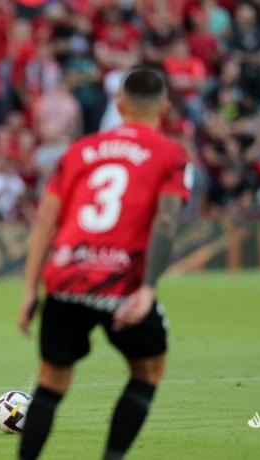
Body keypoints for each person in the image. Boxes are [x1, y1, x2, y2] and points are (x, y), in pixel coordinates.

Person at [17, 68, 190, 459]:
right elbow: (165, 220)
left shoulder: (79, 150)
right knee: (148, 371)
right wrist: (147, 288)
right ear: (164, 108)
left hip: (66, 276)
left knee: (51, 380)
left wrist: (30, 288)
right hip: (121, 281)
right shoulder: (172, 154)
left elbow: (46, 218)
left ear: (119, 105)